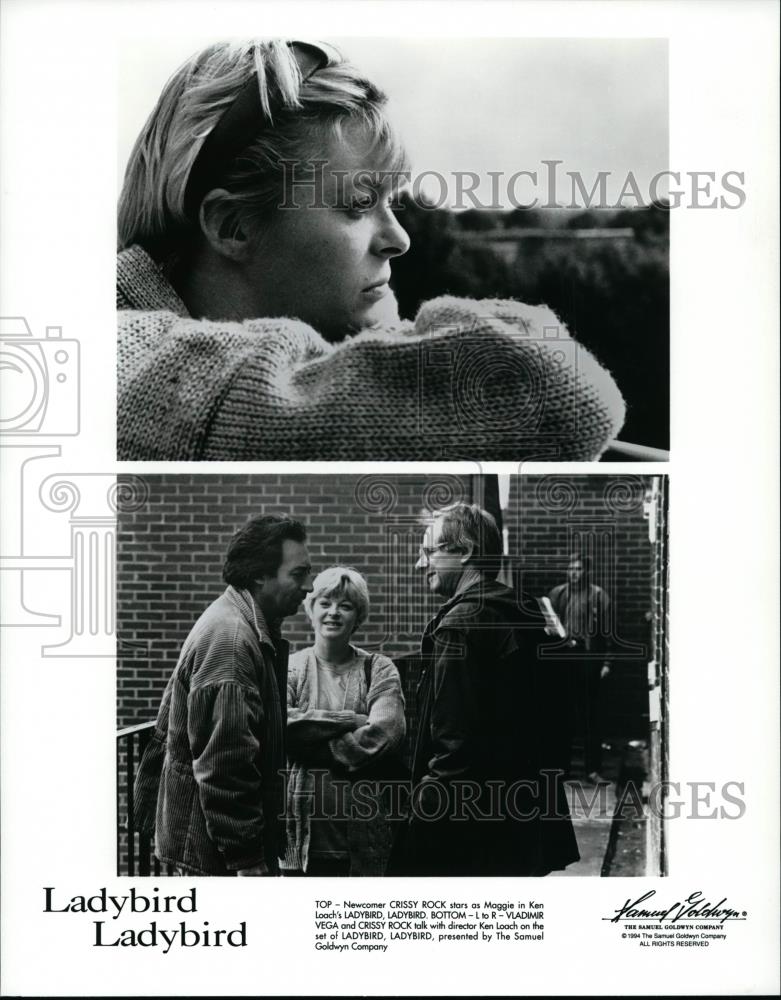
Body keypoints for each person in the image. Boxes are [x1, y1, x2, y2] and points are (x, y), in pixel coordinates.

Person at [117, 38, 625, 461]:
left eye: (390, 201)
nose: (399, 239)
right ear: (233, 226)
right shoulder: (130, 366)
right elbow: (555, 391)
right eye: (360, 204)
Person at [391, 502, 579, 876]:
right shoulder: (524, 614)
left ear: (464, 552)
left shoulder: (461, 626)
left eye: (428, 551)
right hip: (523, 824)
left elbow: (453, 748)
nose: (419, 564)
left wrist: (419, 825)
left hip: (469, 834)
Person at [133, 514, 314, 876]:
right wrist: (246, 859)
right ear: (259, 575)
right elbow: (224, 767)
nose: (309, 586)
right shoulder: (231, 641)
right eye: (298, 574)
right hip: (218, 858)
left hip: (213, 848)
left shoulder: (237, 622)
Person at [283, 567, 406, 876]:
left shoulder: (378, 669)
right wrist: (353, 719)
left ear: (358, 616)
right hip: (297, 841)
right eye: (325, 603)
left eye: (346, 605)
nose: (334, 613)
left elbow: (386, 733)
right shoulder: (291, 669)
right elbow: (281, 726)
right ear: (310, 610)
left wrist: (311, 747)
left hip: (364, 838)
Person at [547, 554, 613, 785]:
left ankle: (592, 770)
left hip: (588, 659)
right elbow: (548, 625)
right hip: (564, 658)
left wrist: (607, 663)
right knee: (561, 715)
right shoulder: (557, 594)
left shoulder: (598, 596)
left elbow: (608, 634)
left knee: (590, 717)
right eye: (571, 569)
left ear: (587, 572)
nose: (574, 573)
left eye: (579, 569)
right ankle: (561, 769)